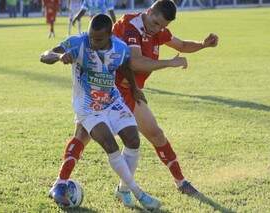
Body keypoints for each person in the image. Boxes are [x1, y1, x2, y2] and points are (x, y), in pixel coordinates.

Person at [53, 0, 219, 208]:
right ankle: (59, 183)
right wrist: (169, 63)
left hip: (129, 91)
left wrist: (203, 45)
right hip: (106, 87)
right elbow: (135, 63)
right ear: (149, 11)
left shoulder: (157, 30)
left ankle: (177, 182)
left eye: (161, 26)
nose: (156, 28)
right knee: (82, 135)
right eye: (155, 22)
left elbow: (182, 46)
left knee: (154, 134)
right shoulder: (131, 26)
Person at [40, 14, 162, 210]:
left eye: (98, 39)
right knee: (110, 144)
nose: (93, 42)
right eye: (91, 37)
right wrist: (59, 56)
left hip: (112, 102)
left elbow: (123, 65)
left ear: (110, 35)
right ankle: (138, 193)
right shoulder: (79, 42)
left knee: (133, 140)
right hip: (87, 106)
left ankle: (123, 190)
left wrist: (134, 88)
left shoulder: (120, 47)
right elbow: (44, 55)